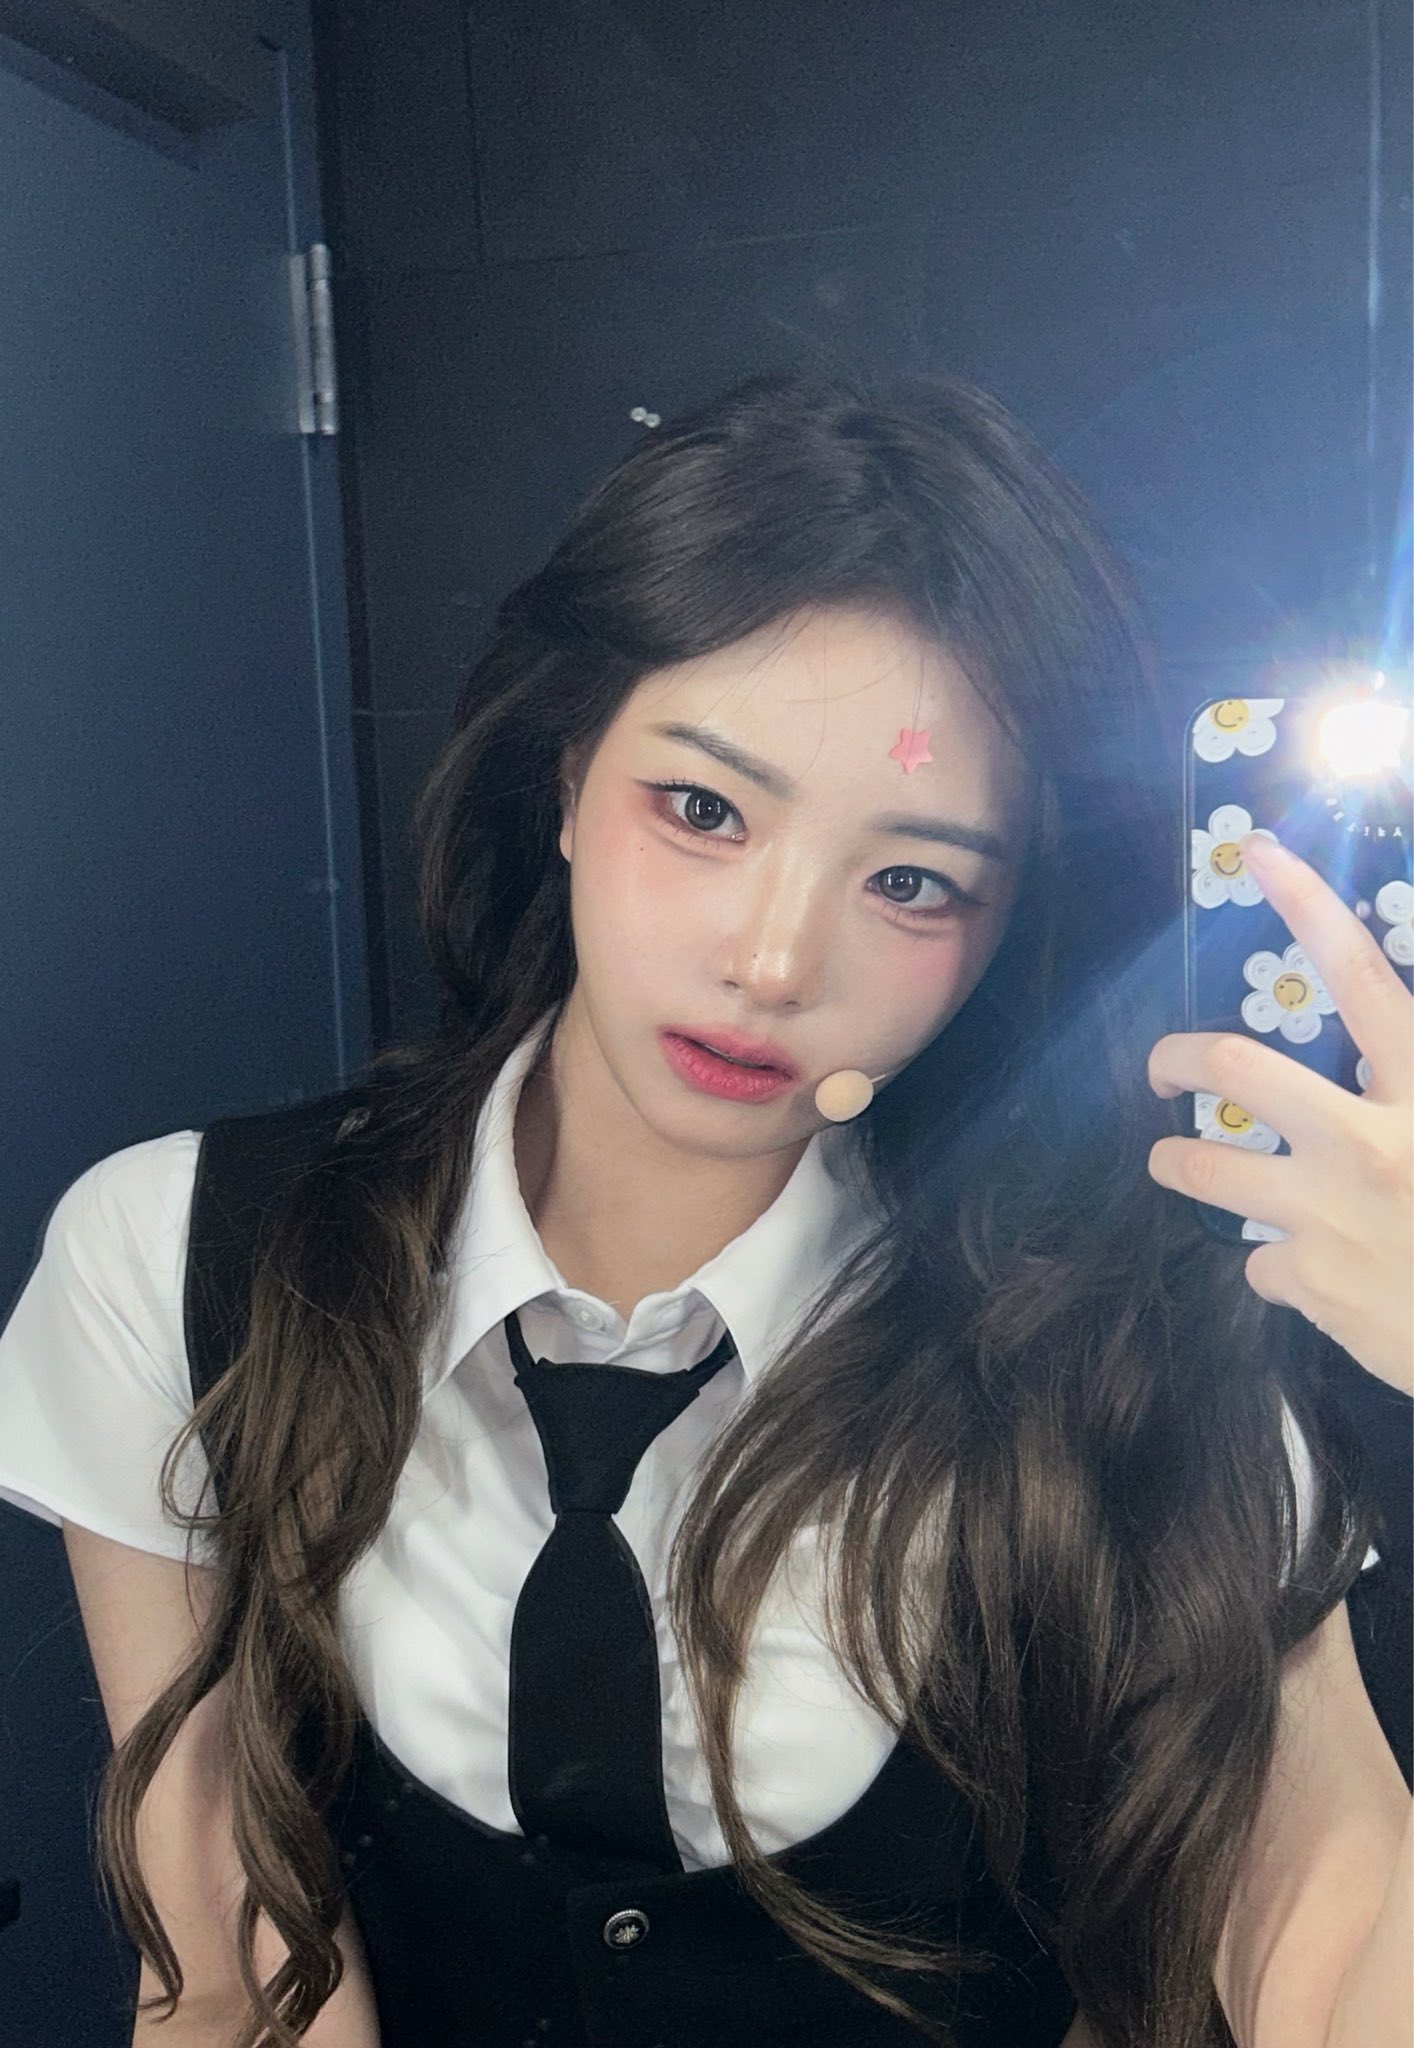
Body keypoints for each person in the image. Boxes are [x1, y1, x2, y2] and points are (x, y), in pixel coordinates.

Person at [0, 368, 1408, 2048]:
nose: (774, 959)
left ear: (1001, 926)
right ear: (564, 769)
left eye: (911, 881)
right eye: (702, 810)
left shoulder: (1128, 1330)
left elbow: (1333, 1950)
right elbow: (227, 1979)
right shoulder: (183, 1260)